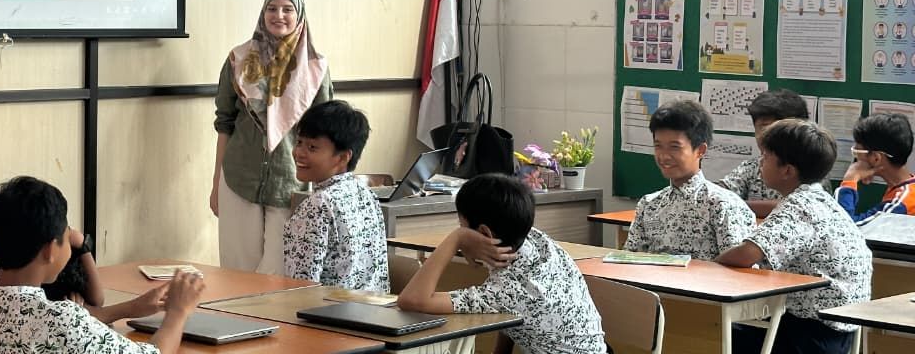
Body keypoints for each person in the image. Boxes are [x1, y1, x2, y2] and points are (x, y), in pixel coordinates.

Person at [0, 175, 205, 354]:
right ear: (49, 250)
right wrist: (178, 312)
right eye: (64, 236)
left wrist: (130, 308)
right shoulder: (61, 322)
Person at [396, 173, 606, 354]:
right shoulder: (537, 241)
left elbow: (412, 300)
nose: (460, 231)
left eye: (462, 225)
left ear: (484, 233)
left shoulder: (508, 289)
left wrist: (457, 238)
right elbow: (512, 312)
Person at [717, 120, 872, 354]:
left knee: (714, 333)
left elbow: (747, 254)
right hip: (836, 329)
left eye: (766, 157)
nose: (760, 162)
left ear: (787, 171)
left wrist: (711, 264)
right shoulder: (817, 199)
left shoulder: (800, 207)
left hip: (812, 332)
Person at [211, 0, 331, 274]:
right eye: (272, 8)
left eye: (288, 9)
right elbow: (224, 124)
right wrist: (216, 184)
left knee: (281, 272)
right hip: (239, 178)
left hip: (290, 182)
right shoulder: (238, 60)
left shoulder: (315, 69)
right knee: (237, 272)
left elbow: (327, 133)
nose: (279, 15)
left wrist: (324, 190)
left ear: (299, 16)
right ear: (262, 13)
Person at [625, 100, 755, 260]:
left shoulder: (722, 205)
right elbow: (629, 260)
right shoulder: (648, 204)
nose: (664, 156)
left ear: (700, 150)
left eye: (675, 147)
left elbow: (740, 269)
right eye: (658, 146)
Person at [282, 100, 388, 291]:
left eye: (312, 147)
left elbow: (301, 287)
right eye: (299, 142)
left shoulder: (318, 205)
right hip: (373, 307)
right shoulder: (366, 193)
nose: (299, 153)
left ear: (342, 158)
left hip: (329, 309)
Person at [719, 89, 811, 217]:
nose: (766, 136)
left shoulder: (813, 167)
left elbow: (798, 206)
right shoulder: (752, 167)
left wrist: (735, 205)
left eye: (773, 129)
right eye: (762, 128)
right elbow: (719, 195)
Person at [836, 113, 915, 224]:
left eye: (857, 152)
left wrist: (849, 181)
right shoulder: (906, 189)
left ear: (876, 158)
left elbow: (844, 227)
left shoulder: (900, 204)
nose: (856, 159)